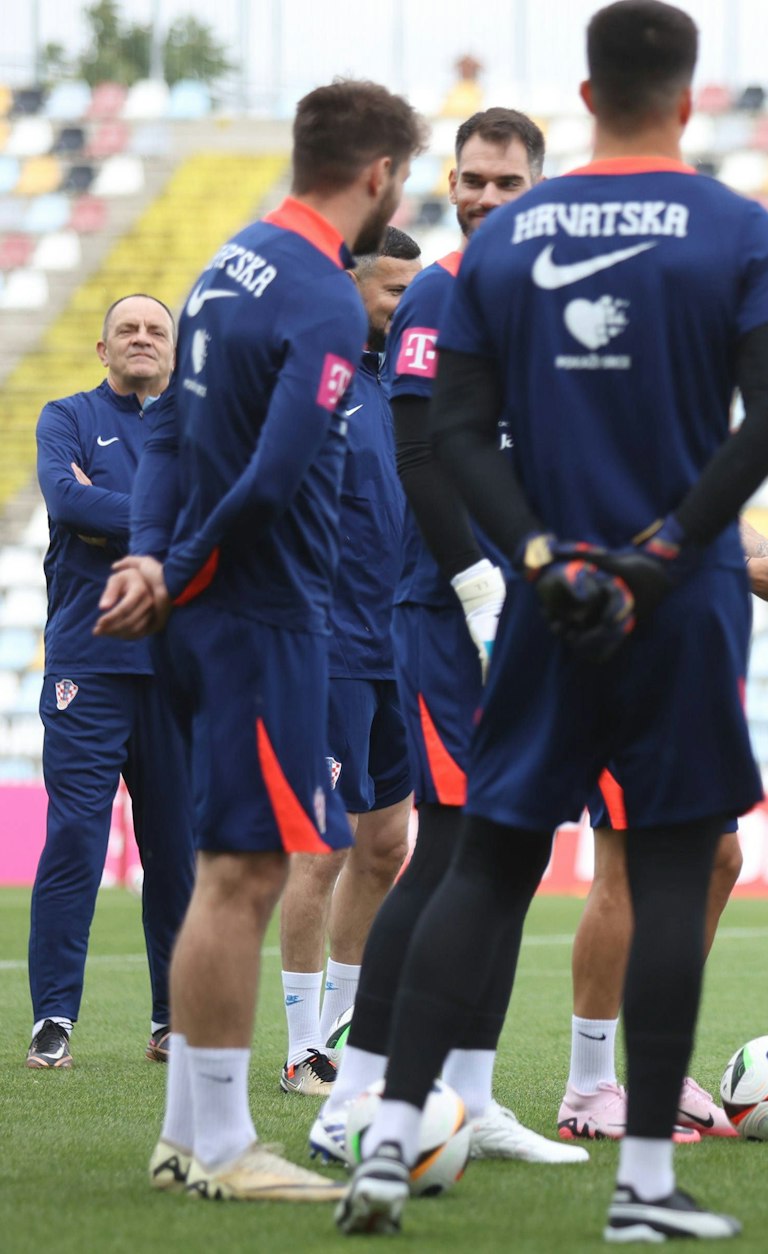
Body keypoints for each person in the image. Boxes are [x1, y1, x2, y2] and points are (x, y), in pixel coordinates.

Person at [337, 3, 768, 1239]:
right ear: (689, 99)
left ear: (585, 101)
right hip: (682, 598)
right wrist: (662, 553)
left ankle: (388, 1148)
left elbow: (444, 433)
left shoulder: (503, 243)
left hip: (546, 598)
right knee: (662, 871)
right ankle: (645, 1185)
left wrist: (541, 558)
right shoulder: (738, 229)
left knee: (487, 862)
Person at [95, 78, 423, 1202]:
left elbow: (171, 440)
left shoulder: (225, 262)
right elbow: (274, 476)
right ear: (378, 177)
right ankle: (225, 1148)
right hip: (270, 616)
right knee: (245, 872)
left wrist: (151, 556)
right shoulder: (324, 297)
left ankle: (188, 1133)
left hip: (205, 611)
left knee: (218, 870)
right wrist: (176, 566)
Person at [310, 106, 585, 1167]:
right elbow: (418, 452)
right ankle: (358, 1095)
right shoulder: (440, 286)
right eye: (471, 179)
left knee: (511, 853)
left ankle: (471, 1094)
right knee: (453, 849)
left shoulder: (555, 298)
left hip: (532, 616)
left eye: (505, 183)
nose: (483, 197)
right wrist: (475, 585)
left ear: (539, 189)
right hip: (447, 614)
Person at [559, 520, 768, 1144]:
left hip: (693, 656)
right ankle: (587, 1090)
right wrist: (744, 573)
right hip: (624, 651)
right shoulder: (612, 426)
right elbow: (614, 523)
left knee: (720, 858)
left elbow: (702, 503)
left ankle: (652, 1073)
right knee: (627, 863)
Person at [28, 294, 193, 1072]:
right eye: (127, 329)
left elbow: (226, 515)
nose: (140, 339)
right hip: (90, 665)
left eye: (155, 331)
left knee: (177, 852)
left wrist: (116, 514)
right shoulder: (66, 417)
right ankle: (54, 1017)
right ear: (102, 349)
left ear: (174, 350)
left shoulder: (199, 429)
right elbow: (67, 500)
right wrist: (172, 518)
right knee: (74, 841)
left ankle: (173, 1019)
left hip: (178, 670)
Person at [276, 225, 422, 1098]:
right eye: (393, 290)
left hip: (401, 649)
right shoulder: (319, 385)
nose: (407, 307)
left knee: (386, 846)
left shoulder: (412, 386)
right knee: (319, 851)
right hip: (327, 649)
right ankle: (300, 1048)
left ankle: (340, 1028)